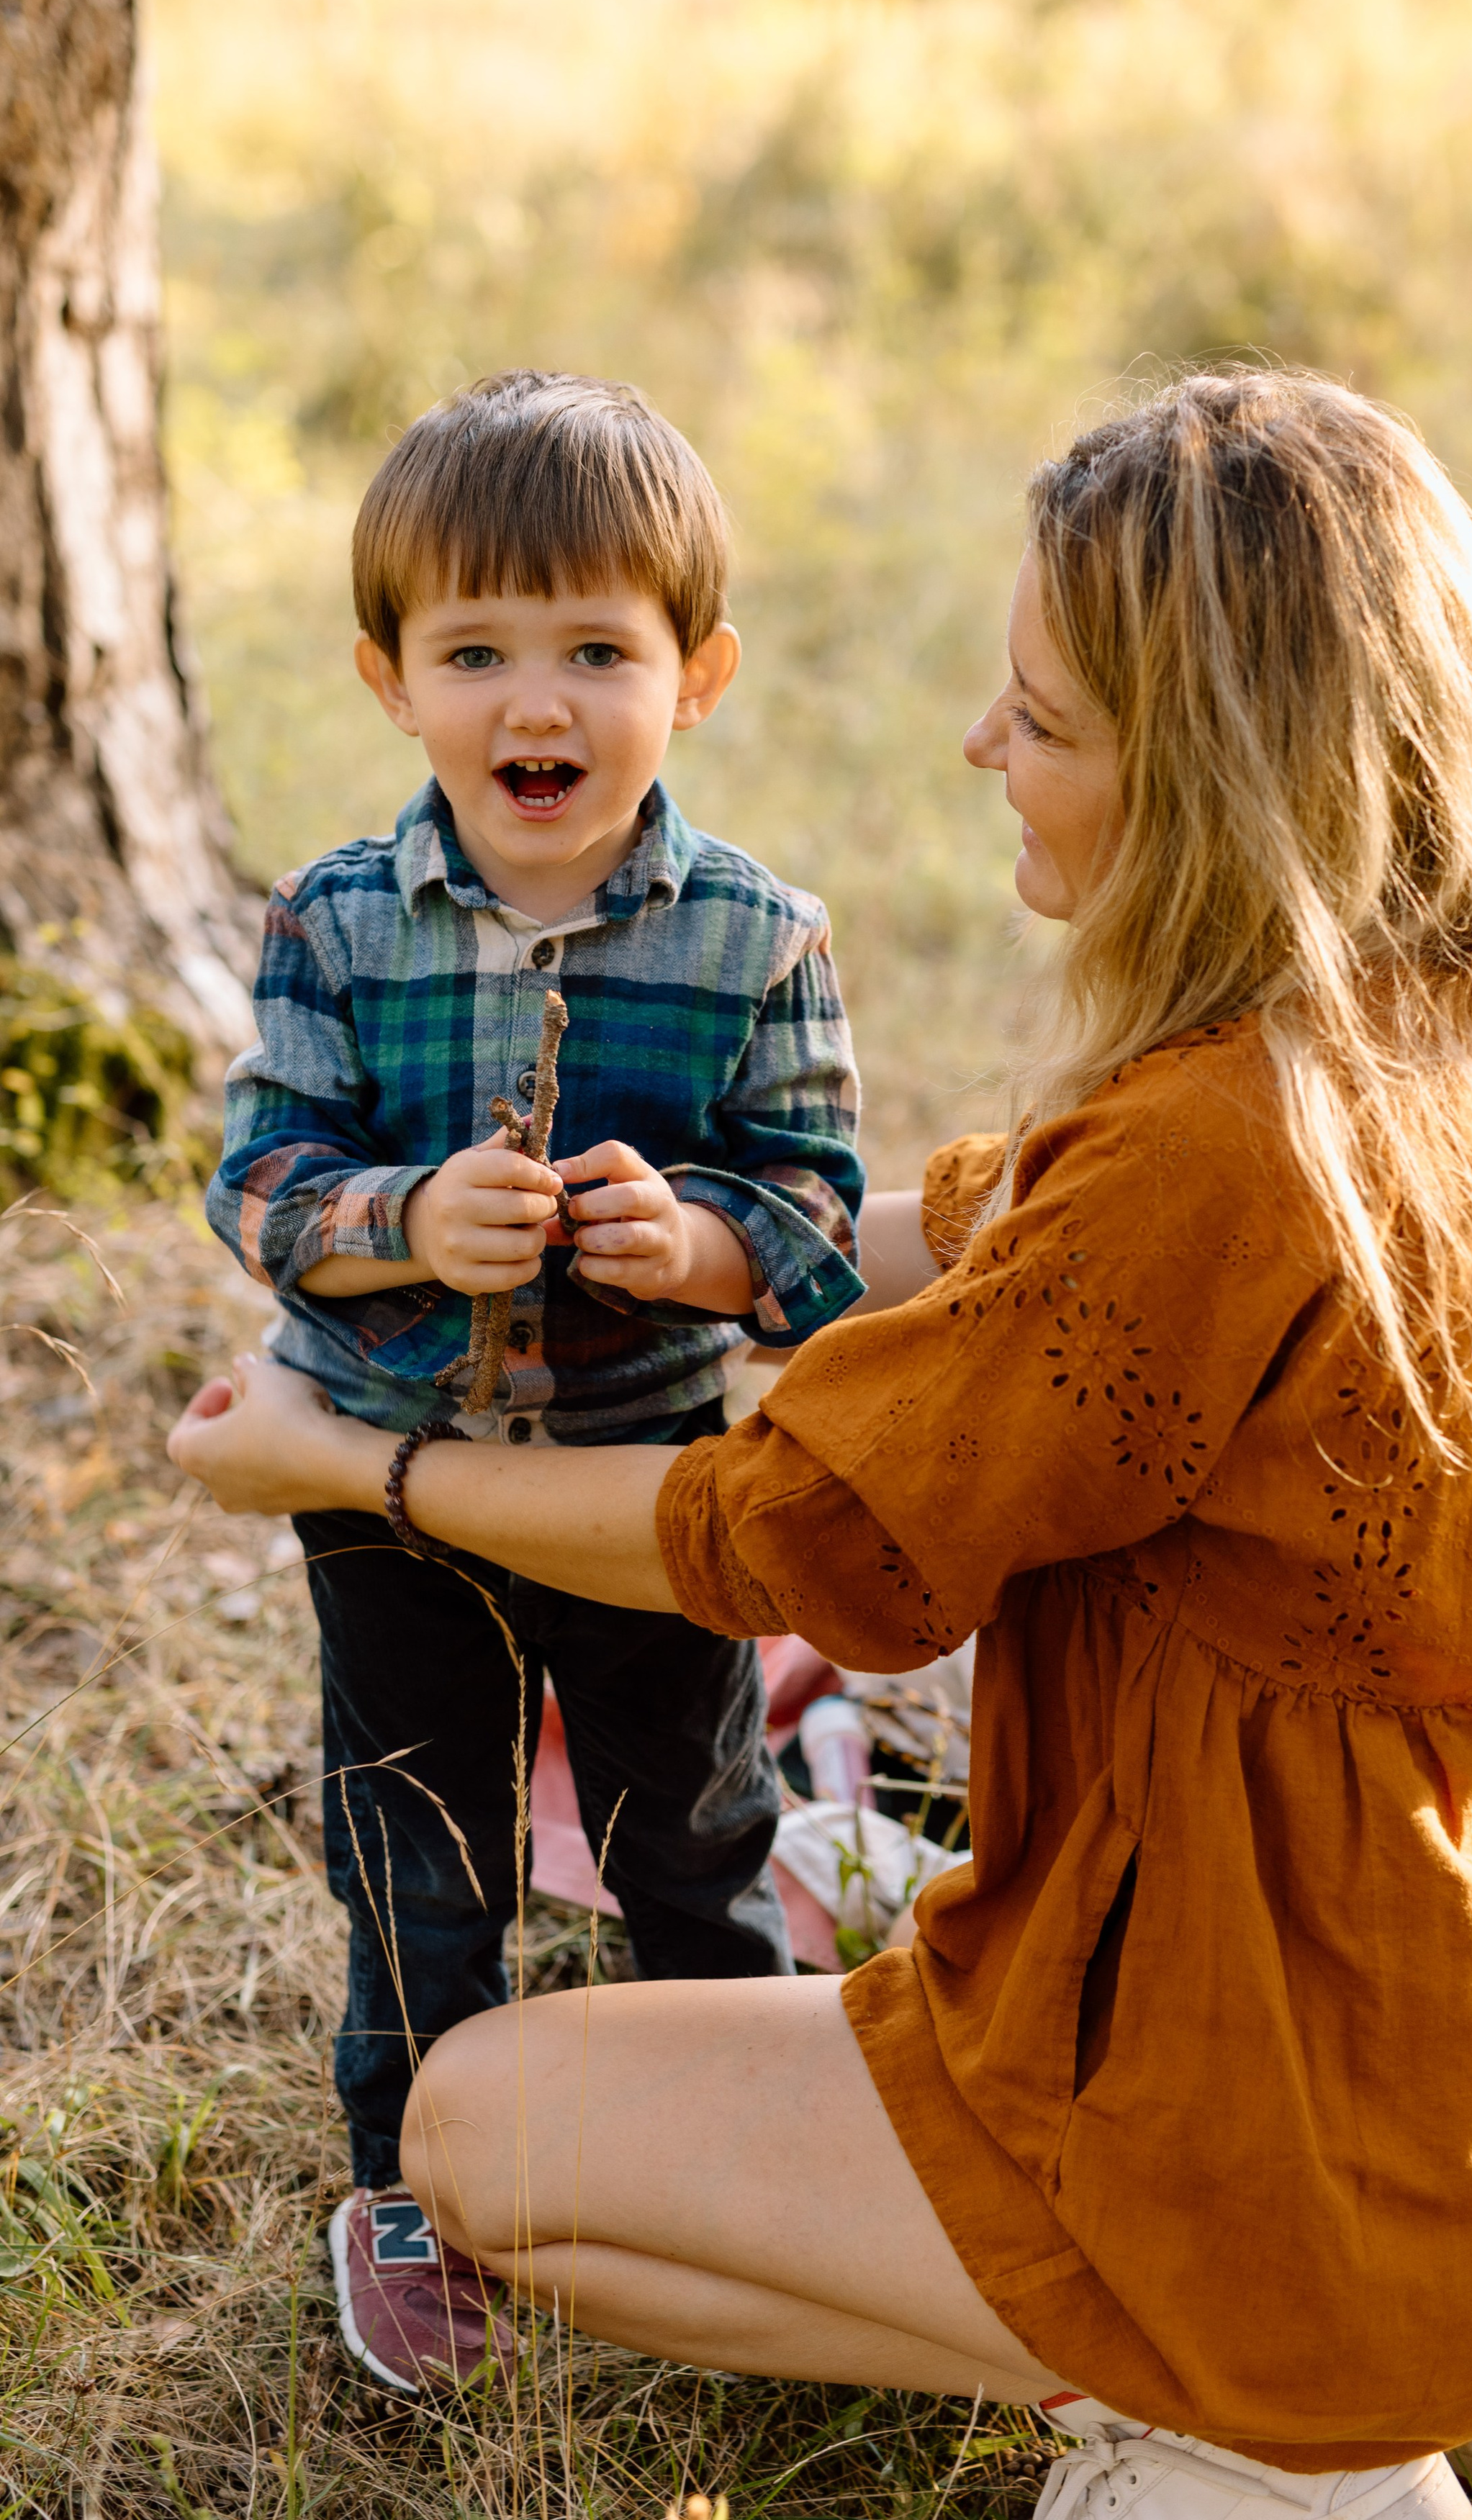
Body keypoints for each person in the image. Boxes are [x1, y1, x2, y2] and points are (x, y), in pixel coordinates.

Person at [174, 370, 1472, 2520]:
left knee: (476, 2127)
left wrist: (352, 1469)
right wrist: (729, 1242)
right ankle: (1391, 2351)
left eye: (1047, 718)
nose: (981, 745)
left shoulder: (1218, 1151)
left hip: (1257, 2093)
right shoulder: (1418, 1052)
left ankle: (1260, 2428)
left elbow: (770, 1534)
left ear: (1209, 782)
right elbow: (1011, 1238)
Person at [204, 371, 865, 2393]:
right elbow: (262, 1187)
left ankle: (744, 2147)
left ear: (697, 675)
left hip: (643, 1483)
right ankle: (411, 2179)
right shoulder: (337, 921)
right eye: (476, 652)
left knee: (695, 1823)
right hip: (390, 1482)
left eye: (596, 649)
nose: (535, 703)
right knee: (420, 1841)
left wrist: (700, 1246)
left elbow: (817, 1209)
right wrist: (406, 1217)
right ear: (392, 680)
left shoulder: (756, 936)